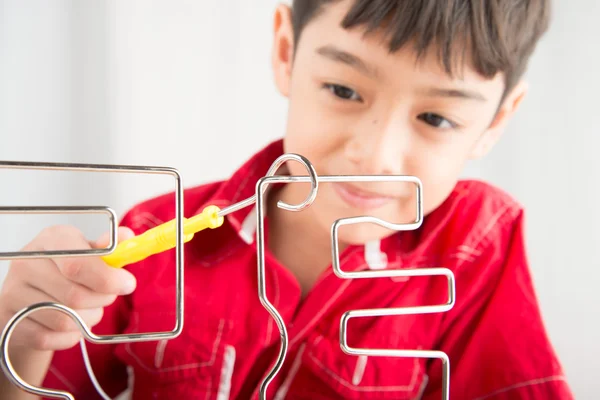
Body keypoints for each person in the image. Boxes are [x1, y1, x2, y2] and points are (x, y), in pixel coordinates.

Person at [0, 0, 574, 399]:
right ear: (285, 50)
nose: (375, 155)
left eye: (436, 118)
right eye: (344, 90)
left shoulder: (476, 250)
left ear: (496, 120)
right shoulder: (152, 237)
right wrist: (20, 335)